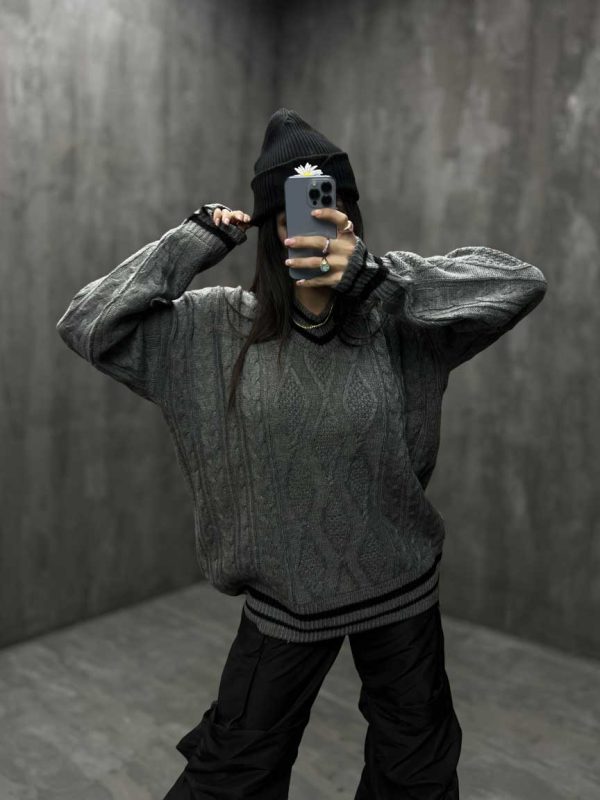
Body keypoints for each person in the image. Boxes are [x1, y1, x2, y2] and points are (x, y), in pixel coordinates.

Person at [56, 108, 548, 799]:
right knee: (233, 773)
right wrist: (191, 241)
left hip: (400, 588)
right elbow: (87, 322)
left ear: (352, 218)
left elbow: (521, 284)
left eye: (328, 206)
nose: (311, 225)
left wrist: (376, 279)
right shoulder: (213, 328)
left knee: (418, 772)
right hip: (284, 603)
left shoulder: (401, 316)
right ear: (269, 228)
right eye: (292, 211)